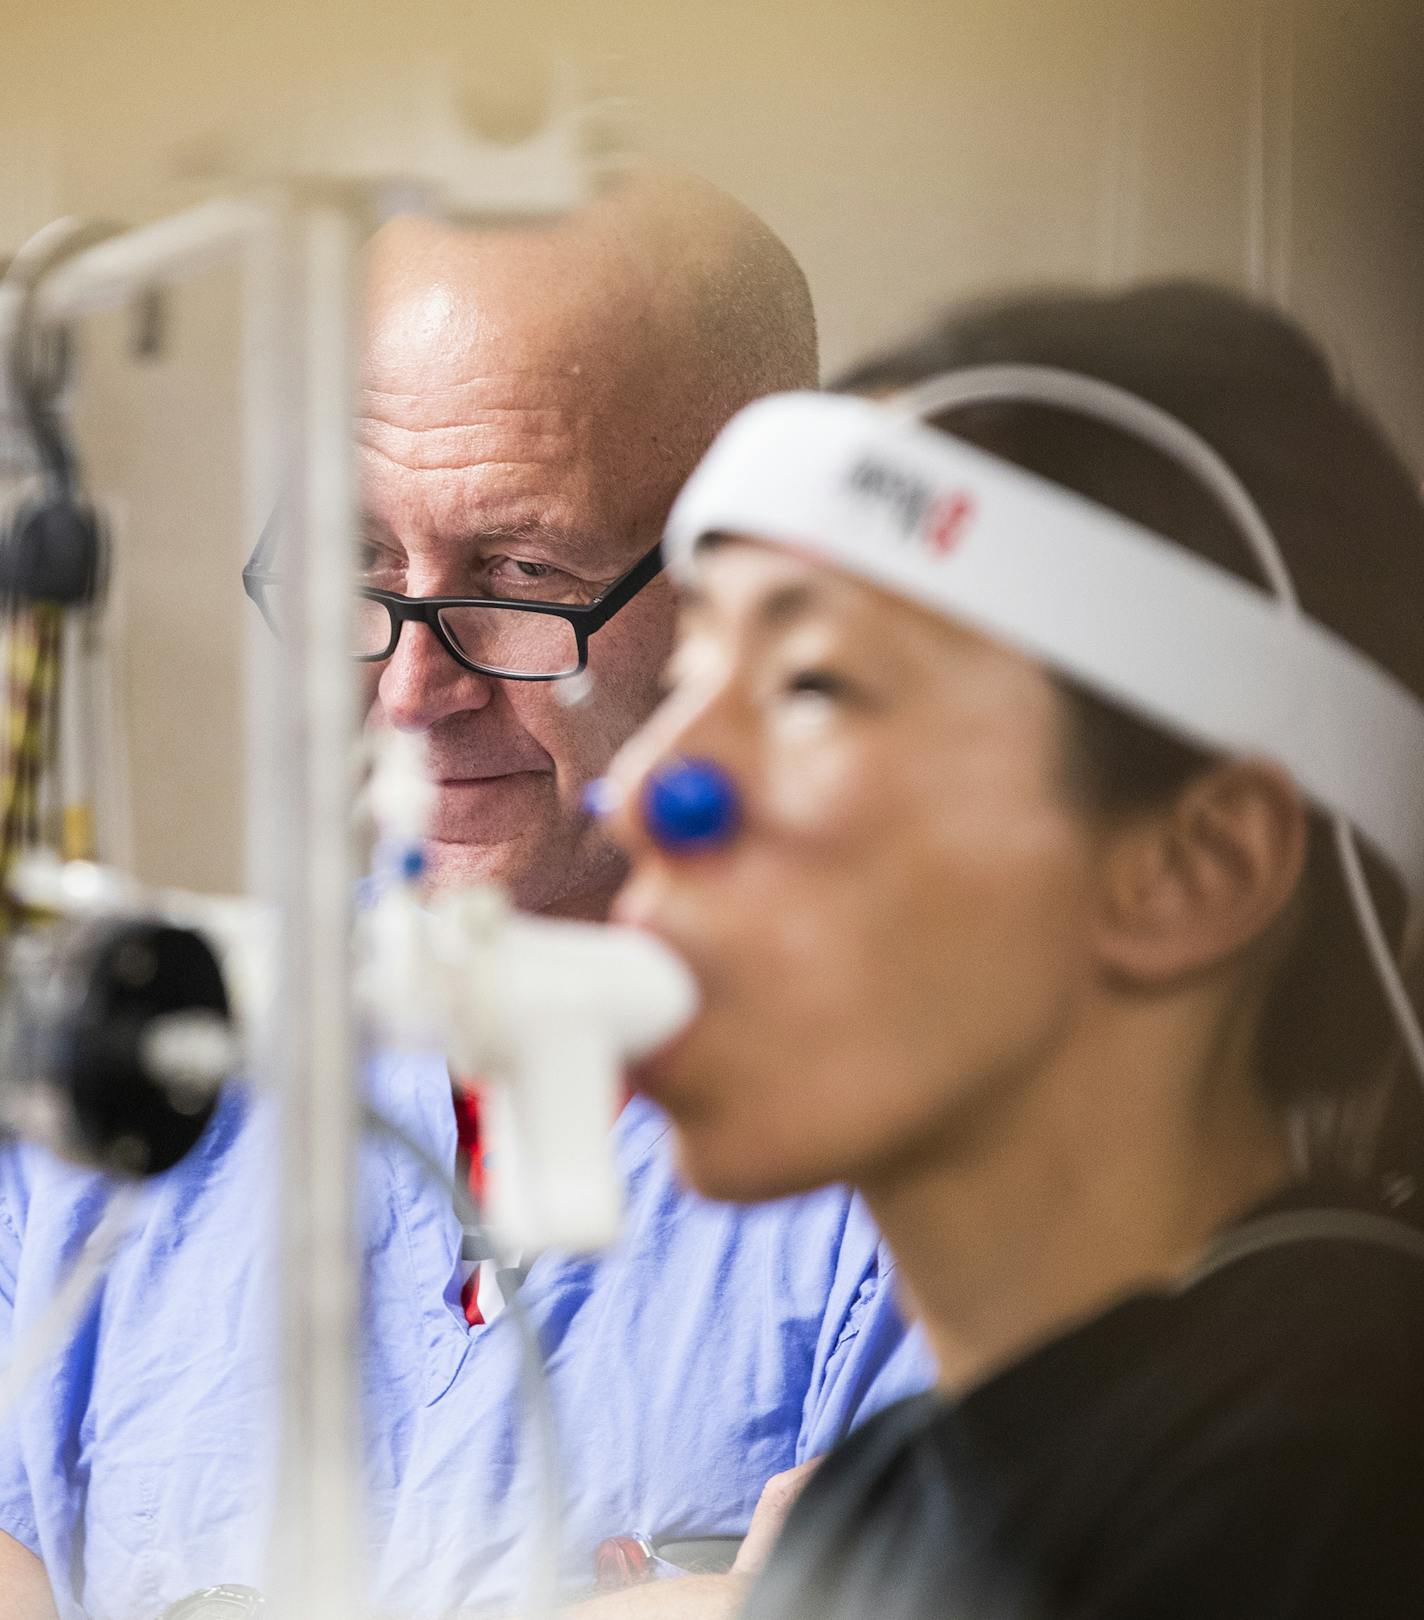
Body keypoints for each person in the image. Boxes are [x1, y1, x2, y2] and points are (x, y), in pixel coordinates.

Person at [0, 177, 930, 1620]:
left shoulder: (939, 1163)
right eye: (361, 560)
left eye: (522, 576)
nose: (412, 688)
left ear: (762, 585)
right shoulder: (133, 1083)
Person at [602, 281, 1424, 1619]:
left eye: (811, 685)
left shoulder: (1336, 1483)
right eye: (687, 678)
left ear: (1189, 868)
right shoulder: (891, 1491)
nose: (650, 789)